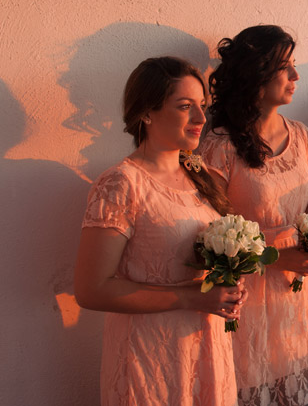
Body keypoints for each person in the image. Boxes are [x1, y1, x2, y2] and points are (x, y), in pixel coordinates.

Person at [74, 56, 244, 405]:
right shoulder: (121, 183)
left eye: (202, 106)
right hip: (150, 359)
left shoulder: (200, 175)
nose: (201, 118)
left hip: (207, 349)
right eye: (185, 107)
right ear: (147, 113)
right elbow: (91, 290)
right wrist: (193, 298)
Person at [199, 25, 308, 406]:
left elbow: (307, 211)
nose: (296, 77)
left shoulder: (302, 137)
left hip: (294, 290)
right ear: (257, 73)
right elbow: (205, 238)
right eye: (285, 67)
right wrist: (273, 257)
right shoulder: (218, 145)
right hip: (245, 294)